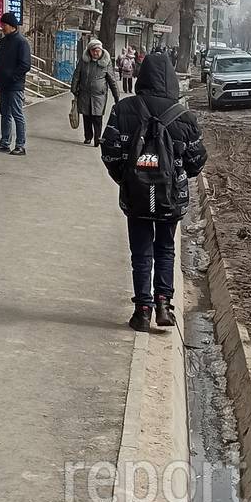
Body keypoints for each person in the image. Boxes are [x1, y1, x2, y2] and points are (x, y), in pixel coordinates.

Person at [100, 48, 206, 331]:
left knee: (141, 251)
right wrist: (178, 176)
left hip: (136, 196)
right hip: (170, 198)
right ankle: (163, 304)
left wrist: (127, 178)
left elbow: (109, 150)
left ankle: (142, 310)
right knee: (166, 248)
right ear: (171, 80)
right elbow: (197, 160)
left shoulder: (123, 109)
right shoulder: (183, 117)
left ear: (141, 77)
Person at [0, 12, 31, 154]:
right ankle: (4, 143)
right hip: (3, 84)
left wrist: (12, 77)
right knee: (5, 114)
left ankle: (20, 145)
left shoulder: (21, 42)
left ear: (12, 26)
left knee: (17, 114)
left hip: (15, 86)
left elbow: (25, 65)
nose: (2, 27)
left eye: (4, 25)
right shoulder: (3, 41)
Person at [71, 36, 120, 145]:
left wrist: (117, 96)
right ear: (89, 51)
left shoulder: (106, 62)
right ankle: (88, 137)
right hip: (84, 94)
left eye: (97, 51)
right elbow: (76, 75)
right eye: (93, 51)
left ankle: (97, 139)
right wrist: (74, 88)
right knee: (86, 116)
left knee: (97, 118)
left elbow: (112, 80)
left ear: (101, 50)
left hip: (99, 96)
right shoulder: (84, 61)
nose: (96, 53)